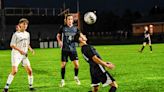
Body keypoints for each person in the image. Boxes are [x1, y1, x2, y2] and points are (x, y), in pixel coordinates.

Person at [3, 18, 35, 92]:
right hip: (16, 54)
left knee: (30, 70)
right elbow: (12, 45)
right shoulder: (16, 34)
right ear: (20, 24)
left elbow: (27, 44)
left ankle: (31, 86)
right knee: (14, 71)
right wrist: (20, 51)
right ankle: (6, 87)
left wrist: (31, 49)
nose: (25, 25)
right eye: (24, 24)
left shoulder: (27, 34)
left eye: (26, 24)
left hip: (24, 55)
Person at [56, 14, 83, 87]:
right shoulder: (63, 27)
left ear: (73, 20)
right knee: (63, 65)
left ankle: (76, 77)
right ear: (66, 20)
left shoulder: (76, 28)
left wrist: (83, 38)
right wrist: (59, 41)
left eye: (71, 19)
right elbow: (58, 35)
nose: (70, 21)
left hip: (73, 50)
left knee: (77, 65)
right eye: (68, 19)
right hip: (65, 49)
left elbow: (80, 35)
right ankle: (62, 80)